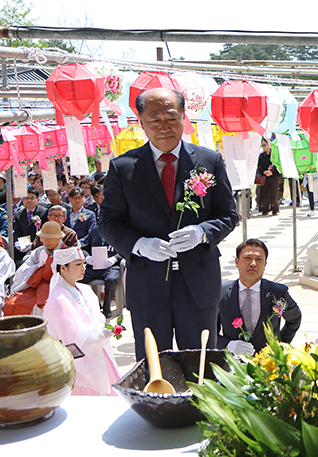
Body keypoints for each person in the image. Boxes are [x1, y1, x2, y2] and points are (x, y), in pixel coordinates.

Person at [99, 87, 238, 361]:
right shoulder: (123, 167)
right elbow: (108, 222)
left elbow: (228, 215)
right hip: (148, 284)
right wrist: (139, 245)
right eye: (154, 120)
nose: (164, 127)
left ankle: (198, 405)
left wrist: (202, 232)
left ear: (184, 118)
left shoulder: (209, 161)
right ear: (141, 122)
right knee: (154, 364)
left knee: (200, 364)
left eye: (172, 118)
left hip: (198, 284)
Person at [43, 246, 120, 395]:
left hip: (96, 349)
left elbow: (95, 316)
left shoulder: (84, 288)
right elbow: (70, 336)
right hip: (80, 357)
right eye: (78, 264)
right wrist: (98, 334)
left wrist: (101, 329)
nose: (84, 267)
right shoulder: (59, 299)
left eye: (84, 263)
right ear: (63, 268)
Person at [216, 239, 302, 356]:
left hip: (268, 361)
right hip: (233, 363)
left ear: (265, 264)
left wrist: (279, 344)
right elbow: (208, 330)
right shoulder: (221, 293)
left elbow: (295, 318)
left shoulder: (277, 292)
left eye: (259, 259)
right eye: (247, 258)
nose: (253, 264)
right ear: (236, 262)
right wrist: (228, 344)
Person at [5, 221, 67, 316]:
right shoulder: (39, 251)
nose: (47, 241)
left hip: (57, 285)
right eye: (44, 238)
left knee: (44, 307)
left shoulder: (66, 252)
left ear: (59, 238)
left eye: (50, 238)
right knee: (14, 303)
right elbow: (22, 271)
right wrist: (38, 266)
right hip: (34, 285)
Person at [13, 187, 47, 265]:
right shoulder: (19, 214)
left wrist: (33, 244)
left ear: (38, 200)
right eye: (26, 198)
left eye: (32, 198)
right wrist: (17, 243)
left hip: (38, 246)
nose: (29, 200)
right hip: (22, 246)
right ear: (22, 200)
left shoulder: (44, 213)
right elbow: (17, 231)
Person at [255, 137, 280, 216]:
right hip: (264, 177)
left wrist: (271, 172)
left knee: (273, 194)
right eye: (262, 145)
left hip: (273, 176)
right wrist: (264, 172)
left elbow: (277, 165)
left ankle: (275, 209)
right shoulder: (262, 155)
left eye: (265, 145)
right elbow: (259, 166)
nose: (263, 147)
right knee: (264, 194)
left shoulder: (274, 155)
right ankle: (265, 209)